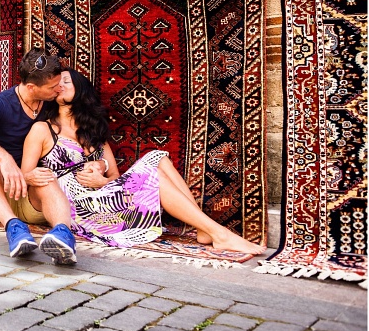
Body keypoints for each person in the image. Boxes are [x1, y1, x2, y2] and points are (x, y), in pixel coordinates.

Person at [22, 68, 266, 255]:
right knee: (155, 176)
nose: (60, 86)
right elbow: (26, 175)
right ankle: (217, 232)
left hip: (103, 196)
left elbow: (115, 178)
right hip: (73, 207)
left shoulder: (94, 134)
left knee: (157, 157)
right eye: (56, 83)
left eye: (66, 81)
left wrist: (101, 180)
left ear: (81, 89)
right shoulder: (43, 129)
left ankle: (204, 228)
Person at [0, 48, 78, 264]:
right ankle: (14, 229)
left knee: (45, 176)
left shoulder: (52, 102)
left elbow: (82, 123)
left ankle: (63, 236)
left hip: (32, 196)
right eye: (53, 86)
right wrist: (4, 159)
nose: (58, 88)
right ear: (32, 87)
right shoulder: (0, 103)